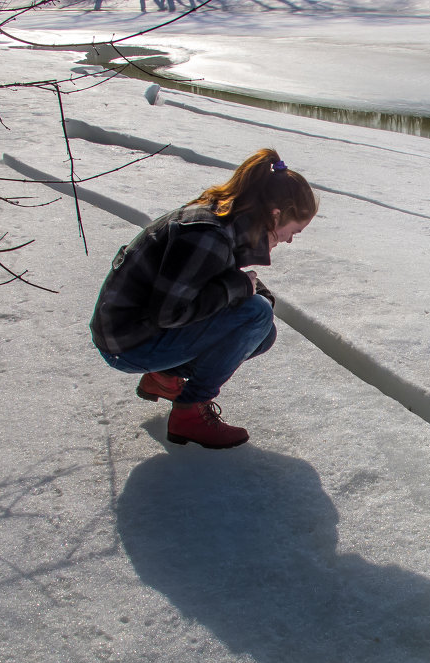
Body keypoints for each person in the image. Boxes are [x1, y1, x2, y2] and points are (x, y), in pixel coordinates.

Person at [91, 148, 317, 449]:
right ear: (276, 215)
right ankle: (189, 413)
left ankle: (164, 375)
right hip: (126, 343)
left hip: (135, 332)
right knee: (257, 316)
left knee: (261, 330)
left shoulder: (228, 220)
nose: (289, 239)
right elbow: (169, 313)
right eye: (294, 231)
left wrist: (247, 290)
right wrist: (240, 290)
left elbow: (219, 279)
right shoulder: (208, 234)